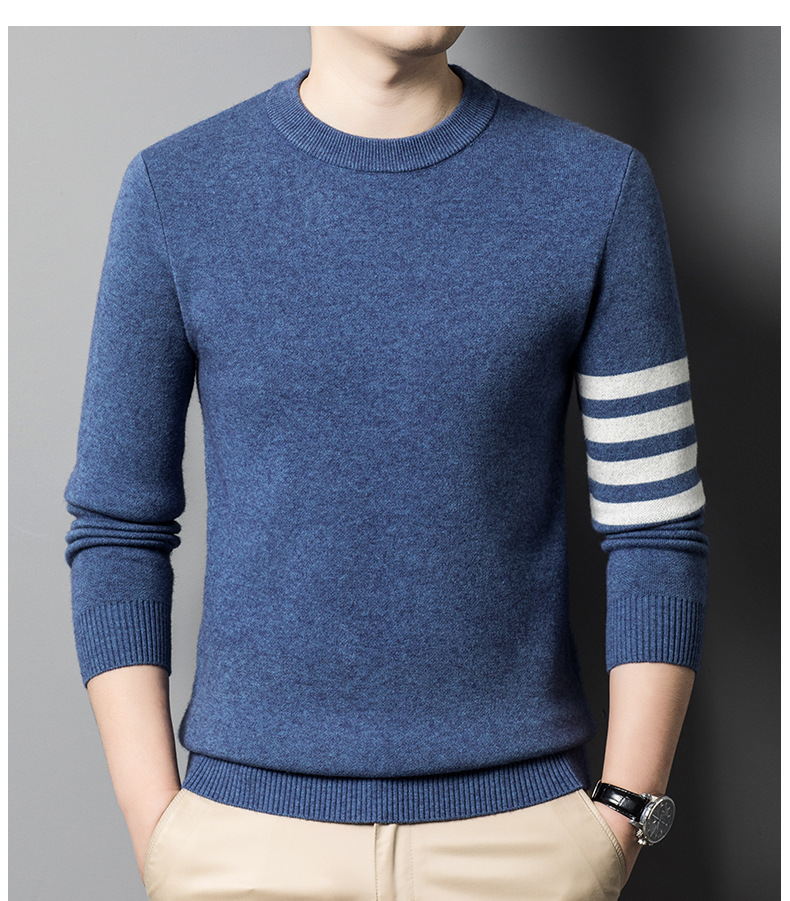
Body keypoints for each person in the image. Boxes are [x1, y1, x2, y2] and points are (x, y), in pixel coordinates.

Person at [64, 26, 708, 901]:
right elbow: (116, 526)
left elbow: (656, 523)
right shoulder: (176, 189)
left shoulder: (596, 187)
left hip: (522, 844)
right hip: (246, 841)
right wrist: (160, 827)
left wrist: (622, 815)